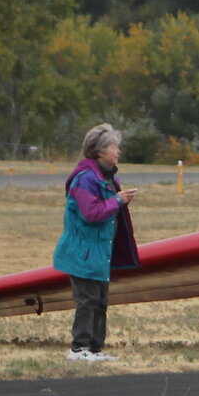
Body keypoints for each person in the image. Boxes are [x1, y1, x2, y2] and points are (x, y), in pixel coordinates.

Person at [53, 122, 139, 362]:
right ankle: (79, 348)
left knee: (100, 300)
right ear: (100, 151)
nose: (118, 151)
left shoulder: (107, 177)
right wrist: (118, 201)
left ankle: (94, 348)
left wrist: (119, 201)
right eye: (114, 146)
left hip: (100, 251)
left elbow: (105, 209)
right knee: (87, 300)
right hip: (83, 252)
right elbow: (91, 213)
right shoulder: (85, 179)